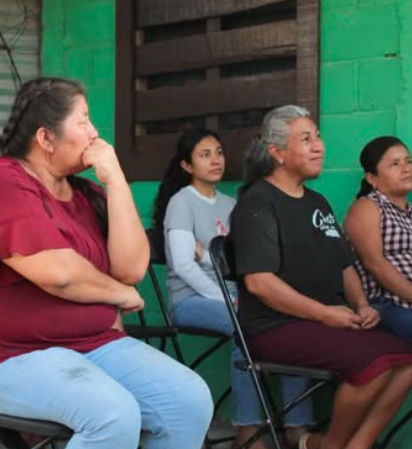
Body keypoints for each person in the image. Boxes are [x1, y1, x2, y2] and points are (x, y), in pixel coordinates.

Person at [0, 77, 213, 449]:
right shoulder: (1, 181)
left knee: (188, 400)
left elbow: (133, 268)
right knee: (113, 414)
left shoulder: (86, 193)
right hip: (2, 359)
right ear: (46, 138)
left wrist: (116, 180)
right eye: (84, 121)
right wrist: (118, 294)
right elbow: (60, 275)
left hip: (91, 345)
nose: (95, 133)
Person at [230, 105, 412, 449]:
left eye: (318, 137)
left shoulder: (318, 202)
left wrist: (360, 305)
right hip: (274, 326)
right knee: (372, 365)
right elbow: (260, 283)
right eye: (305, 139)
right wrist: (326, 313)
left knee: (405, 360)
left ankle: (354, 445)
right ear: (278, 153)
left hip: (326, 320)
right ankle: (329, 445)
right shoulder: (258, 203)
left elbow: (345, 266)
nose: (319, 146)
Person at [152, 128, 313, 449]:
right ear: (187, 166)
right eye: (204, 155)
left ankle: (296, 426)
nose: (215, 160)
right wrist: (230, 299)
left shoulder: (231, 204)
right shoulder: (181, 202)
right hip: (192, 300)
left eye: (219, 153)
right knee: (247, 328)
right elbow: (184, 265)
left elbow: (242, 261)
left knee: (294, 323)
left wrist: (209, 258)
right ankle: (248, 430)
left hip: (236, 297)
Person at [344, 136, 412, 344]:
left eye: (408, 161)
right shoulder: (367, 208)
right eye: (394, 164)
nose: (406, 168)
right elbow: (375, 264)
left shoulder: (408, 211)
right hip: (387, 304)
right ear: (372, 178)